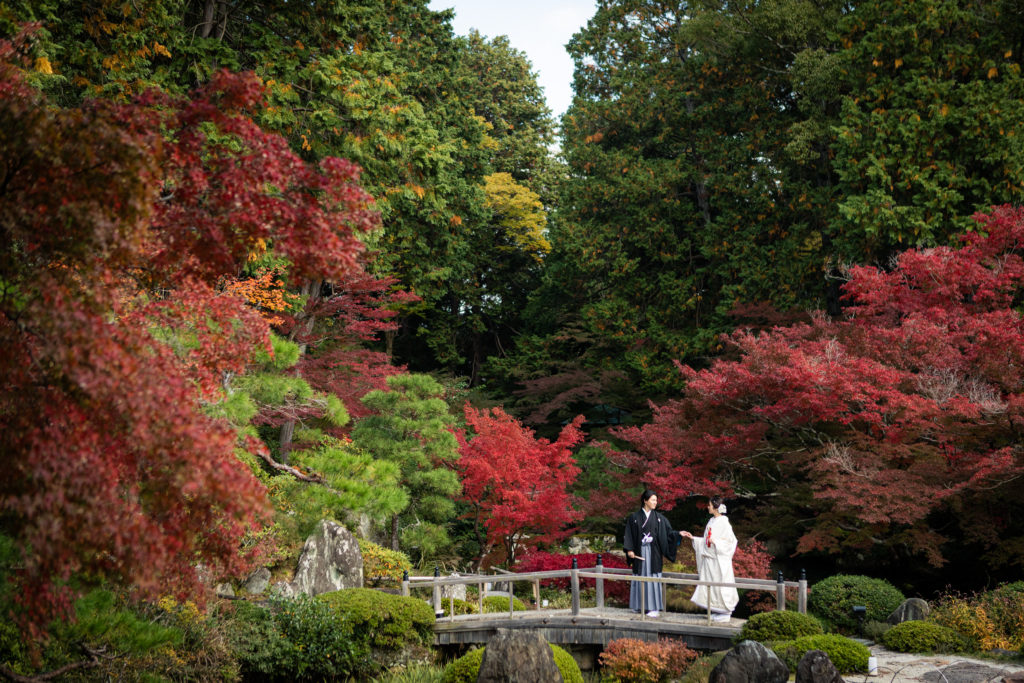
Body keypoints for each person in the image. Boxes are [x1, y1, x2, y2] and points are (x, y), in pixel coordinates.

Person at [623, 489, 683, 618]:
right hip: (639, 551)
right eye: (653, 500)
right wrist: (629, 550)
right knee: (639, 577)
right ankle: (639, 605)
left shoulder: (660, 518)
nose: (655, 502)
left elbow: (668, 534)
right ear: (645, 500)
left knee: (652, 577)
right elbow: (629, 534)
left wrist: (678, 534)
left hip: (653, 553)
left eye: (656, 500)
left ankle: (653, 607)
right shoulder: (634, 518)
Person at [681, 496, 738, 622]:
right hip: (710, 561)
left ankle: (726, 612)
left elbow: (731, 542)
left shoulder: (724, 522)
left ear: (716, 507)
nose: (708, 507)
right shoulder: (712, 521)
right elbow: (707, 541)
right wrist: (694, 538)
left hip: (718, 561)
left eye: (710, 505)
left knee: (721, 586)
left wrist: (716, 542)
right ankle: (717, 610)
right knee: (711, 587)